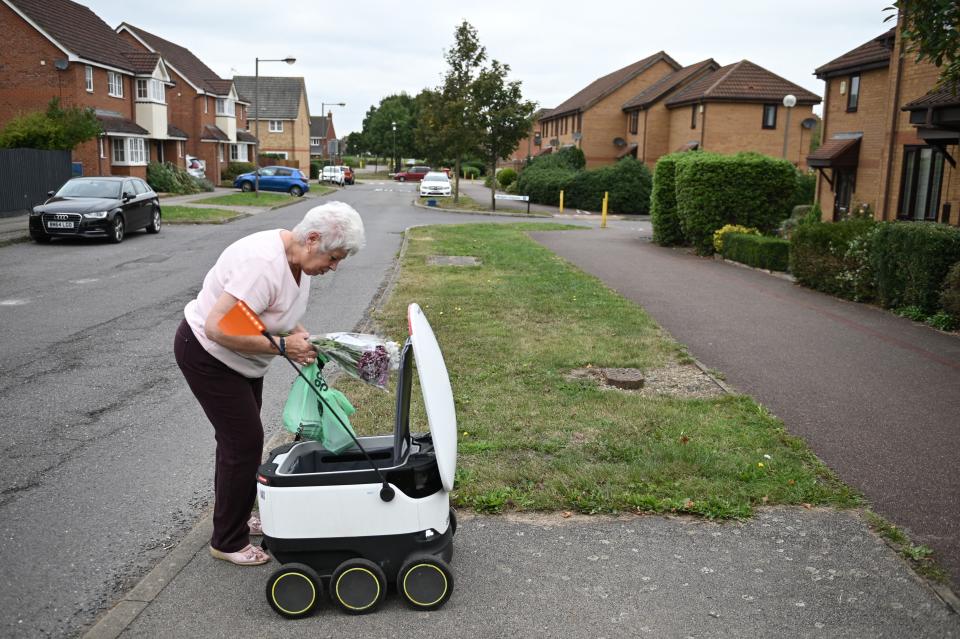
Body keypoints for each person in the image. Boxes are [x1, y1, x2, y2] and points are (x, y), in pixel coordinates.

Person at [174, 202, 365, 565]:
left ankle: (238, 514)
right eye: (334, 257)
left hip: (242, 362)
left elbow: (267, 311)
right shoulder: (263, 264)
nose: (335, 267)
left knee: (239, 444)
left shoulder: (299, 260)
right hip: (208, 356)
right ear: (312, 239)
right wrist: (282, 347)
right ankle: (227, 541)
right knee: (243, 442)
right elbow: (218, 327)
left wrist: (299, 335)